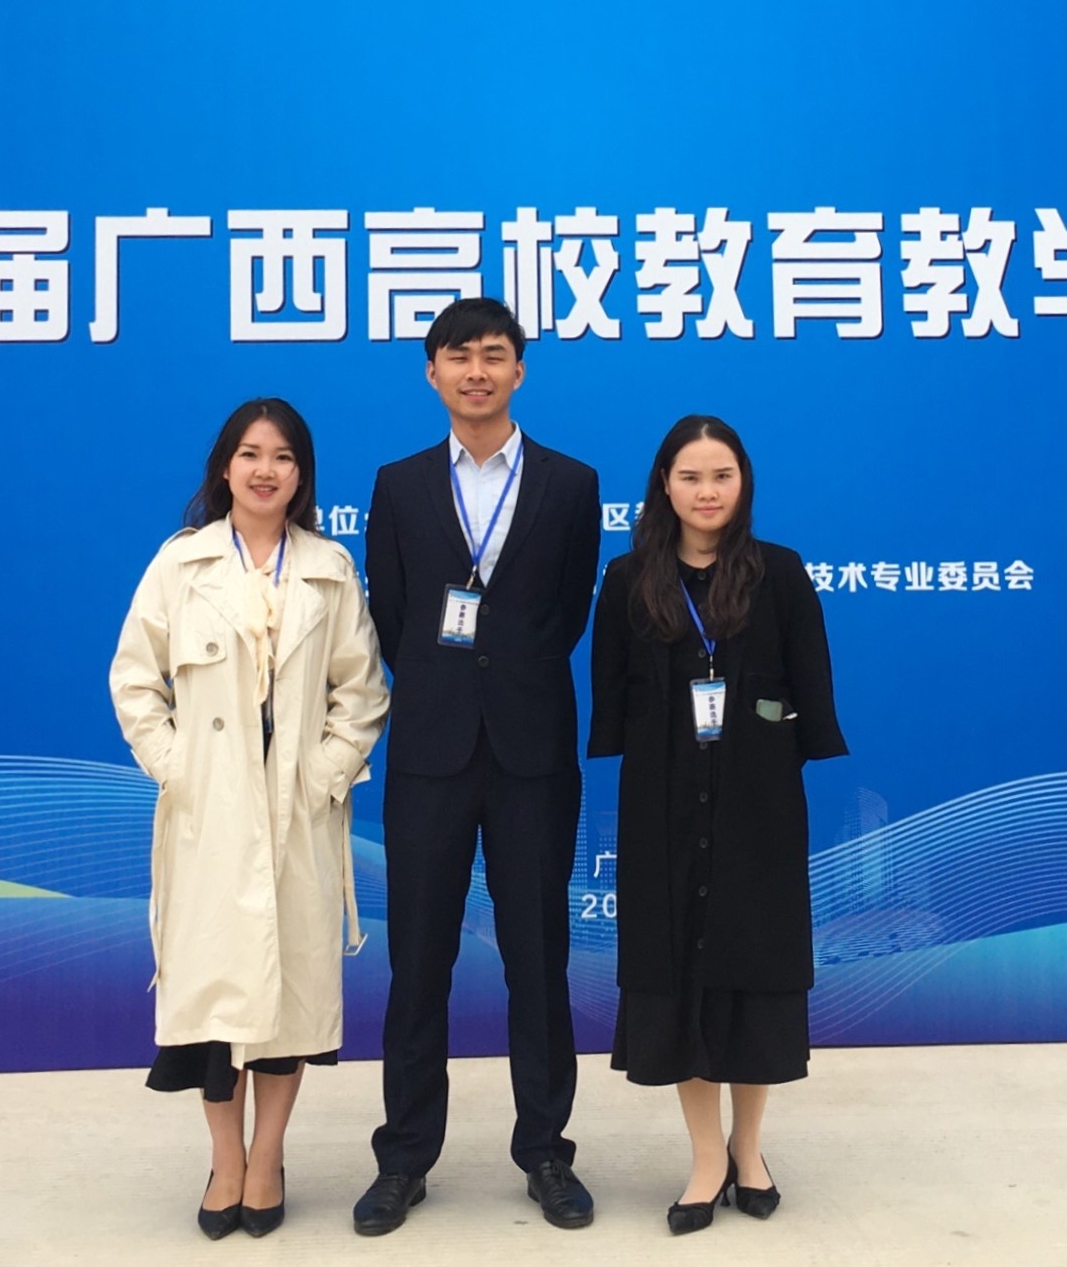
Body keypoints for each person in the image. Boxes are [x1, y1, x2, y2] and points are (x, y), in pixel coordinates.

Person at [108, 397, 390, 1240]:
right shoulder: (182, 563)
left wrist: (324, 776)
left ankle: (267, 1158)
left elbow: (361, 692)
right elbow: (134, 680)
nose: (265, 471)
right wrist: (179, 768)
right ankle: (223, 1159)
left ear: (302, 475)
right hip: (210, 817)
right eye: (250, 454)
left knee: (287, 1003)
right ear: (224, 468)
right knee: (214, 1003)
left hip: (296, 815)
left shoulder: (329, 569)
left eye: (283, 457)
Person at [354, 297, 604, 1234]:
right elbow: (393, 617)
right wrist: (447, 684)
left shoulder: (570, 484)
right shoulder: (400, 484)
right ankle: (404, 1159)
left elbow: (566, 614)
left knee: (538, 960)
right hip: (430, 751)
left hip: (532, 753)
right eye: (457, 357)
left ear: (519, 370)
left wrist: (506, 677)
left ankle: (545, 1152)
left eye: (493, 355)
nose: (476, 372)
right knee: (418, 961)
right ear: (432, 373)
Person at [587, 414, 848, 1235]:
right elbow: (613, 692)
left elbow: (808, 685)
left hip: (756, 808)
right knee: (679, 978)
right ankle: (706, 1158)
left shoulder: (779, 572)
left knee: (751, 972)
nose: (707, 492)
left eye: (721, 476)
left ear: (743, 484)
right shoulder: (628, 578)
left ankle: (749, 1149)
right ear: (664, 485)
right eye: (690, 476)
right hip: (660, 807)